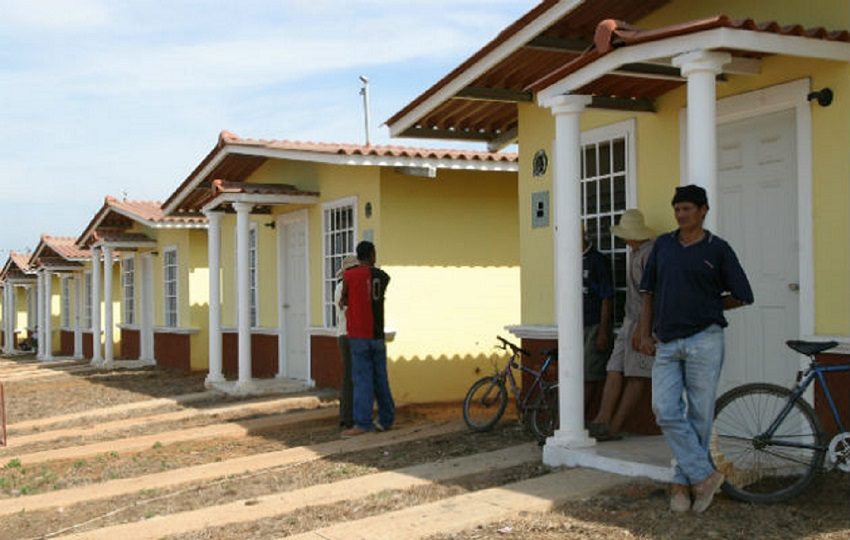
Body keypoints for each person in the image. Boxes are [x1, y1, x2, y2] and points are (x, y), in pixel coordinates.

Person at [638, 185, 753, 513]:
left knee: (700, 414)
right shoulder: (663, 246)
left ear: (703, 210)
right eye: (677, 209)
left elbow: (743, 294)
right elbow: (648, 292)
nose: (680, 214)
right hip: (667, 342)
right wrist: (644, 333)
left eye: (687, 208)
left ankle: (681, 482)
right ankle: (703, 475)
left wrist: (710, 308)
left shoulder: (718, 249)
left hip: (705, 340)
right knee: (664, 409)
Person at [588, 209, 655, 441]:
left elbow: (651, 295)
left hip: (643, 322)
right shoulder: (637, 253)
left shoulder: (650, 254)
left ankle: (614, 426)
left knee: (637, 373)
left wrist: (643, 329)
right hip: (629, 320)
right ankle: (601, 420)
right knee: (614, 368)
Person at [339, 240, 394, 438]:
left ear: (358, 255)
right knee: (381, 379)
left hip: (358, 335)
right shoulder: (383, 276)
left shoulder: (349, 276)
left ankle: (363, 422)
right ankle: (386, 419)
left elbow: (343, 300)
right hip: (377, 335)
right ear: (372, 255)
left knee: (362, 380)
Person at [582, 230, 614, 414]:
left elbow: (606, 297)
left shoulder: (597, 261)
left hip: (594, 325)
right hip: (576, 326)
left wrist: (603, 330)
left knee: (590, 375)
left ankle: (581, 418)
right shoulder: (568, 258)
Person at [334, 254, 360, 430]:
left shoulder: (347, 286)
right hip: (348, 335)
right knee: (350, 378)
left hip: (350, 335)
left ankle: (351, 415)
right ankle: (347, 418)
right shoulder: (343, 287)